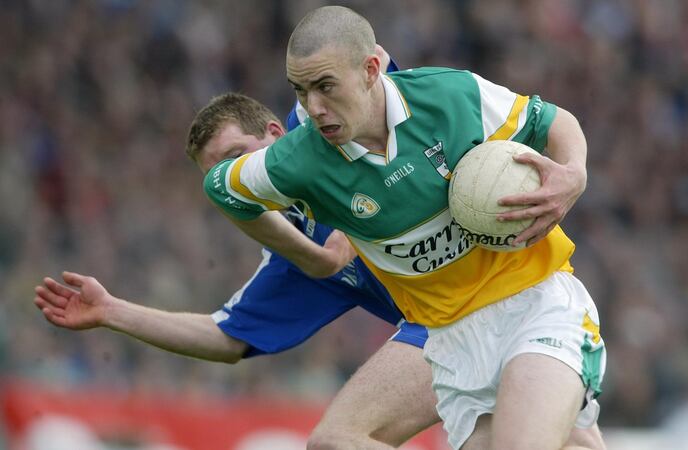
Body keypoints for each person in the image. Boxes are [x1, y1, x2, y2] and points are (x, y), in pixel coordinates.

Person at [204, 5, 606, 450]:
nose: (313, 108)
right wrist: (309, 256)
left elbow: (550, 121)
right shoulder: (299, 161)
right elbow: (222, 188)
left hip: (535, 304)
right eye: (300, 91)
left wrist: (575, 172)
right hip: (451, 346)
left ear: (372, 69)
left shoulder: (448, 95)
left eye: (325, 87)